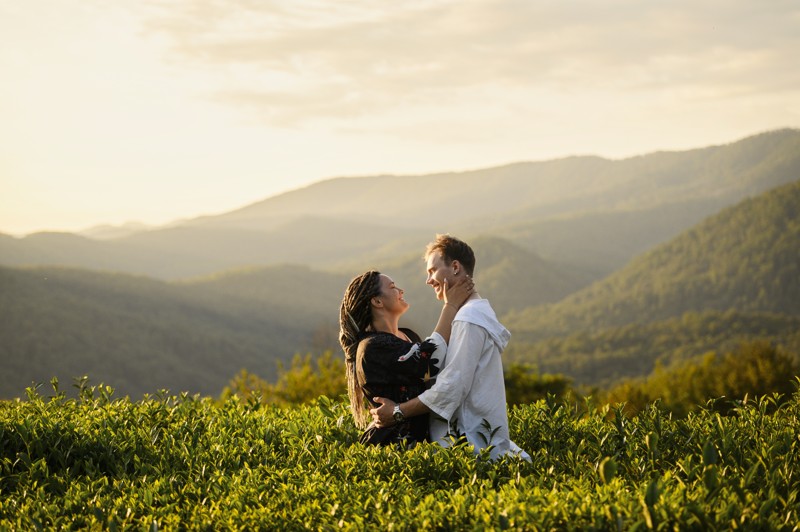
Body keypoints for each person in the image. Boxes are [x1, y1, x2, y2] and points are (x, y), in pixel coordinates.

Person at [371, 234, 531, 461]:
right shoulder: (471, 313)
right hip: (474, 442)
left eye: (432, 271)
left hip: (471, 448)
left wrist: (397, 412)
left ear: (455, 267)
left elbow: (451, 387)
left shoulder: (469, 318)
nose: (428, 280)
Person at [339, 269, 474, 446]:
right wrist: (451, 305)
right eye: (393, 287)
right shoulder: (372, 347)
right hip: (390, 446)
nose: (401, 291)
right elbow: (431, 360)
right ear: (377, 301)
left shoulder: (409, 336)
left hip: (422, 444)